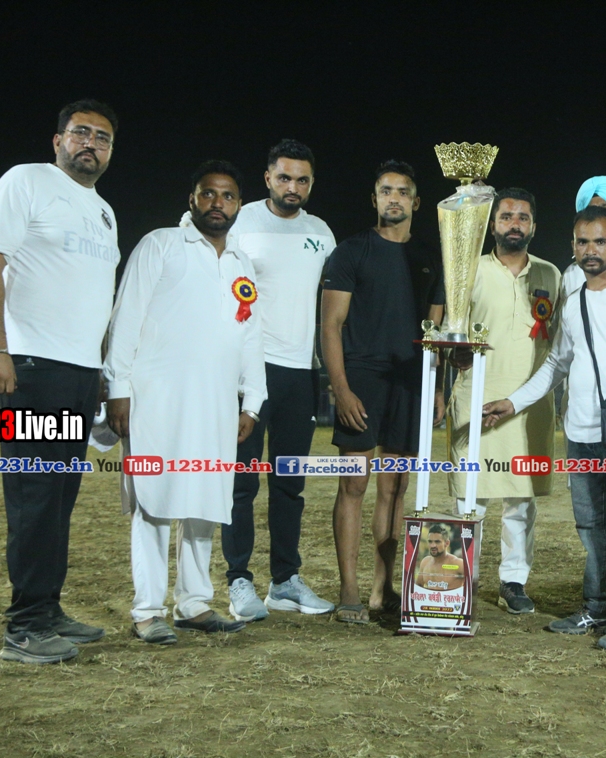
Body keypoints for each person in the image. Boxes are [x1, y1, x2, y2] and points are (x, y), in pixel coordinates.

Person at [483, 206, 606, 651]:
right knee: (592, 528)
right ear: (573, 246)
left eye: (600, 241)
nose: (591, 250)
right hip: (581, 433)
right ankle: (599, 606)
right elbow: (556, 363)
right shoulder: (574, 301)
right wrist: (513, 402)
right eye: (583, 242)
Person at [0, 99, 121, 663]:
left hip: (79, 376)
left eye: (102, 137)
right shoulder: (27, 181)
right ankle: (25, 628)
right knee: (34, 497)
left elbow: (94, 296)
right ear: (57, 140)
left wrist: (99, 370)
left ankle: (47, 608)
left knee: (60, 498)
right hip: (30, 367)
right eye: (80, 132)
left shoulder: (104, 211)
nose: (91, 144)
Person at [105, 161, 265, 643]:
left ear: (239, 205)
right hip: (156, 398)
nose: (218, 203)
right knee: (154, 501)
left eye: (228, 196)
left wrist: (252, 401)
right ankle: (147, 610)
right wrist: (118, 389)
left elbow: (250, 335)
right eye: (208, 193)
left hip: (216, 402)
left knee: (204, 500)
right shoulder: (160, 244)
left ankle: (193, 603)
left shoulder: (241, 262)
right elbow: (125, 318)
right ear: (192, 199)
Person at [321, 160, 445, 624]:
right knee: (353, 483)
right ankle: (349, 591)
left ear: (416, 202)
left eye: (403, 191)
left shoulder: (431, 257)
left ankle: (383, 588)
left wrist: (436, 388)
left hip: (410, 380)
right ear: (374, 199)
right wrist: (341, 388)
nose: (394, 198)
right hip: (362, 379)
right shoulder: (350, 252)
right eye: (386, 191)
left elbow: (435, 332)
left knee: (395, 486)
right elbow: (330, 325)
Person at [221, 139, 337, 622]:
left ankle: (285, 581)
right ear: (268, 177)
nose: (293, 187)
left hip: (299, 372)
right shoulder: (240, 220)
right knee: (241, 482)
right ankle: (239, 580)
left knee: (290, 482)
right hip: (247, 369)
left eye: (302, 180)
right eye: (285, 177)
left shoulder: (321, 233)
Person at [446, 188, 561, 614]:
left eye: (522, 217)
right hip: (475, 398)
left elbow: (561, 343)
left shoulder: (551, 275)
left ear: (534, 226)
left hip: (530, 405)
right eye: (507, 216)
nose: (515, 223)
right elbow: (449, 331)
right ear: (492, 224)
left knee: (520, 498)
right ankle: (460, 578)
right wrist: (452, 352)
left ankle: (514, 581)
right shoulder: (468, 271)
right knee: (469, 496)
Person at [415, 523, 467, 591]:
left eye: (437, 542)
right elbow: (418, 587)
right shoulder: (425, 562)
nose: (433, 545)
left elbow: (472, 586)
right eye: (430, 542)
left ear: (447, 543)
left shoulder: (458, 564)